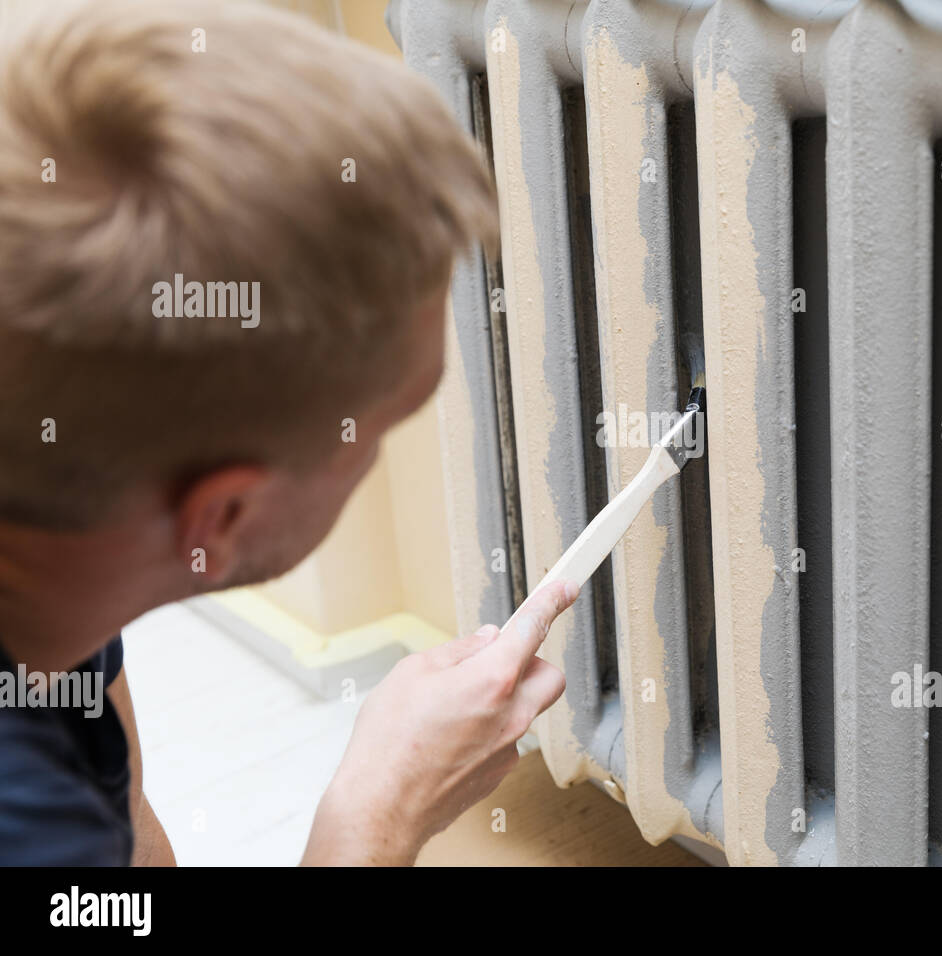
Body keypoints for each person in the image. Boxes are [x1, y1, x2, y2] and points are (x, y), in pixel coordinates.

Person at [0, 0, 575, 866]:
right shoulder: (33, 826)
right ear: (223, 516)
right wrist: (380, 811)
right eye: (376, 432)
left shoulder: (48, 561)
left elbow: (122, 841)